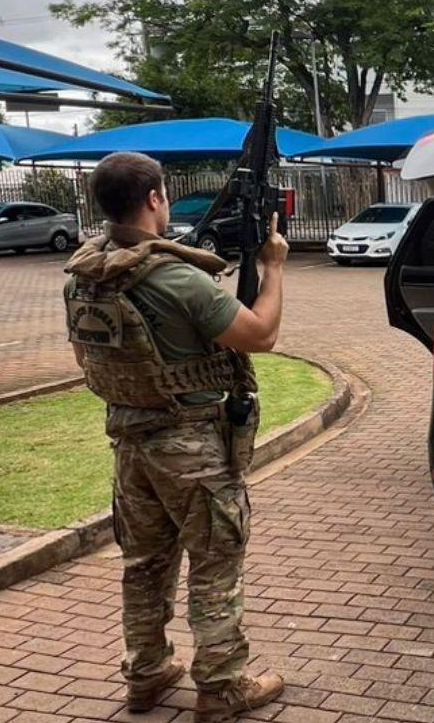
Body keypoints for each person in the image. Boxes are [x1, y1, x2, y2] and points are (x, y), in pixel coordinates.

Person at [63, 152, 288, 722]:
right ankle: (221, 686)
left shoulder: (86, 274)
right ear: (156, 198)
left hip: (129, 443)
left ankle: (146, 672)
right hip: (190, 445)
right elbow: (258, 335)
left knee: (144, 563)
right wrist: (275, 266)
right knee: (215, 561)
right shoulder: (174, 276)